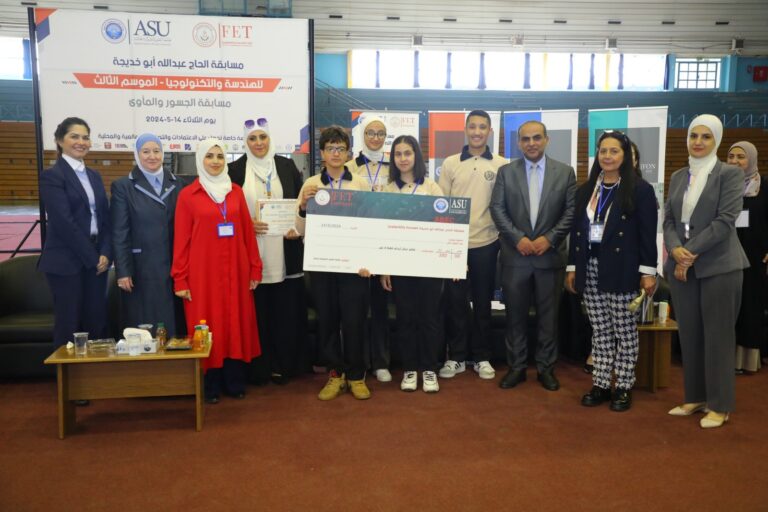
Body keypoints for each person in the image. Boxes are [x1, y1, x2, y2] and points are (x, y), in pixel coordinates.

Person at [664, 115, 749, 428]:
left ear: (717, 140)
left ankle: (720, 404)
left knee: (718, 337)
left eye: (706, 137)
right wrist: (676, 250)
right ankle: (696, 396)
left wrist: (688, 253)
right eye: (693, 136)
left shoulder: (729, 174)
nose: (698, 142)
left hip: (720, 266)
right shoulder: (678, 176)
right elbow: (669, 221)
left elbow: (725, 221)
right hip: (683, 268)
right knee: (690, 334)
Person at [565, 130, 657, 412]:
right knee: (600, 330)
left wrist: (648, 272)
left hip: (622, 269)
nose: (607, 156)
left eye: (614, 151)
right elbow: (577, 233)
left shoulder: (640, 190)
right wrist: (572, 267)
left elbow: (647, 235)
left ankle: (624, 386)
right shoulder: (586, 190)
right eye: (603, 151)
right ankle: (601, 384)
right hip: (590, 267)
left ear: (625, 155)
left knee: (624, 331)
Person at [171, 139, 263, 404]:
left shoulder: (235, 192)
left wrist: (255, 268)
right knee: (207, 324)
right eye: (209, 156)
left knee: (235, 322)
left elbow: (247, 233)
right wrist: (180, 278)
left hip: (236, 270)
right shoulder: (188, 195)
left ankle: (234, 381)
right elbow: (181, 240)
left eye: (220, 156)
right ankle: (210, 384)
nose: (215, 161)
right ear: (200, 159)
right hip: (203, 274)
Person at [490, 120, 576, 391]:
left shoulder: (565, 172)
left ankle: (545, 368)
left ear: (546, 140)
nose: (531, 143)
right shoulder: (506, 173)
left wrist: (549, 239)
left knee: (548, 319)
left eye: (537, 138)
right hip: (516, 257)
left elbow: (570, 212)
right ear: (518, 143)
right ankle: (516, 368)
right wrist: (519, 239)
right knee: (514, 317)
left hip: (550, 258)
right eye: (525, 139)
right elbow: (497, 209)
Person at [228, 118, 308, 385]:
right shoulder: (234, 171)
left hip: (285, 249)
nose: (258, 143)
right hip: (252, 251)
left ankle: (285, 366)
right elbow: (226, 212)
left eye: (263, 137)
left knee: (285, 312)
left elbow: (299, 206)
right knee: (257, 312)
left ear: (270, 139)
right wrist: (246, 224)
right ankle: (259, 369)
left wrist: (296, 226)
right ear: (245, 142)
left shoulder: (286, 166)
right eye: (252, 138)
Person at [296, 126, 372, 400]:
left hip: (354, 267)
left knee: (354, 321)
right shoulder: (311, 184)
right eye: (331, 148)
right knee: (327, 320)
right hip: (322, 265)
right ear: (322, 153)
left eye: (341, 148)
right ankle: (334, 375)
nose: (336, 153)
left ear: (348, 153)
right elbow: (299, 230)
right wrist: (303, 207)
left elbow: (371, 225)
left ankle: (356, 376)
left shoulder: (360, 183)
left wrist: (367, 261)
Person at [437, 110, 508, 381]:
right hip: (456, 244)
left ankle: (481, 357)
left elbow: (504, 205)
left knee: (482, 303)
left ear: (490, 131)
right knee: (455, 304)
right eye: (473, 127)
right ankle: (456, 356)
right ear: (465, 130)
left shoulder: (501, 164)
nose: (477, 132)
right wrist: (450, 242)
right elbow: (442, 205)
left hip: (487, 244)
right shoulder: (450, 163)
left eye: (482, 127)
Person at [379, 135, 445, 393]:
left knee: (429, 318)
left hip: (429, 264)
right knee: (405, 318)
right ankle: (409, 369)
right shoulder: (387, 191)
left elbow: (445, 226)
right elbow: (383, 232)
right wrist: (385, 268)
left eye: (408, 153)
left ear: (416, 156)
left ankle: (429, 369)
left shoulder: (432, 187)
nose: (403, 158)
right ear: (393, 159)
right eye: (398, 154)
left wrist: (449, 262)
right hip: (401, 265)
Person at [38, 117, 111, 350]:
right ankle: (66, 373)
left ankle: (94, 373)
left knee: (96, 322)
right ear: (60, 141)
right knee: (70, 325)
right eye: (74, 136)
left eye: (85, 137)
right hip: (66, 262)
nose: (81, 142)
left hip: (97, 261)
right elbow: (64, 223)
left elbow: (105, 218)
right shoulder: (52, 176)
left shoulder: (94, 175)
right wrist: (93, 258)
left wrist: (106, 253)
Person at [111, 133, 184, 337]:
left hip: (173, 264)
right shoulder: (123, 186)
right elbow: (119, 231)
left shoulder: (178, 184)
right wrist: (123, 271)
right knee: (144, 322)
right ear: (137, 154)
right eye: (146, 151)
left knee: (173, 321)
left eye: (156, 151)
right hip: (141, 267)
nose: (152, 156)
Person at [345, 115, 393, 383]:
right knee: (356, 309)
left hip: (384, 241)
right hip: (357, 242)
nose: (375, 137)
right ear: (362, 136)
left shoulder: (394, 167)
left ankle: (381, 362)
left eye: (380, 133)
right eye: (370, 133)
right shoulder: (349, 166)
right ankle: (358, 362)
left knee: (380, 306)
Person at [727, 141, 768, 374]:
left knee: (750, 307)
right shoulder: (722, 185)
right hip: (726, 256)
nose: (734, 161)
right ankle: (725, 358)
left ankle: (746, 361)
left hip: (754, 258)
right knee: (728, 308)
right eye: (731, 156)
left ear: (751, 159)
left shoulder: (764, 187)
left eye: (740, 157)